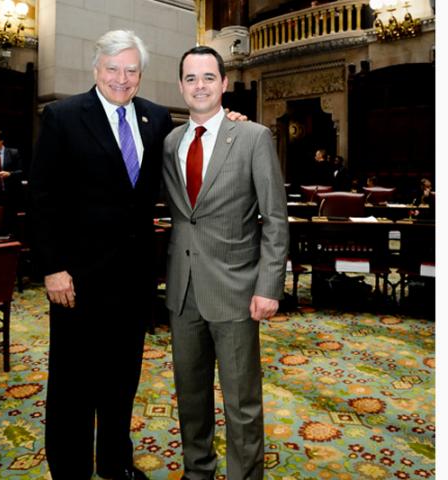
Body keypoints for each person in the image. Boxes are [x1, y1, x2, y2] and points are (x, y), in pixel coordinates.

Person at [29, 30, 174, 480]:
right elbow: (43, 199)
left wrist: (230, 123)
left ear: (141, 74)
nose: (122, 78)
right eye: (113, 68)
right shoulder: (64, 116)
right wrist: (52, 267)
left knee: (121, 380)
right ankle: (70, 471)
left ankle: (115, 462)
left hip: (132, 281)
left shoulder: (156, 118)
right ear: (97, 70)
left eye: (131, 70)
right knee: (73, 385)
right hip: (77, 281)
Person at [161, 46, 289, 480]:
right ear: (181, 86)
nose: (200, 86)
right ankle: (198, 471)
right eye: (191, 78)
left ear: (224, 83)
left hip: (236, 289)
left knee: (242, 402)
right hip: (183, 291)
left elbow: (274, 218)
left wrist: (269, 285)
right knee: (190, 396)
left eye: (209, 77)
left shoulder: (253, 137)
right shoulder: (171, 142)